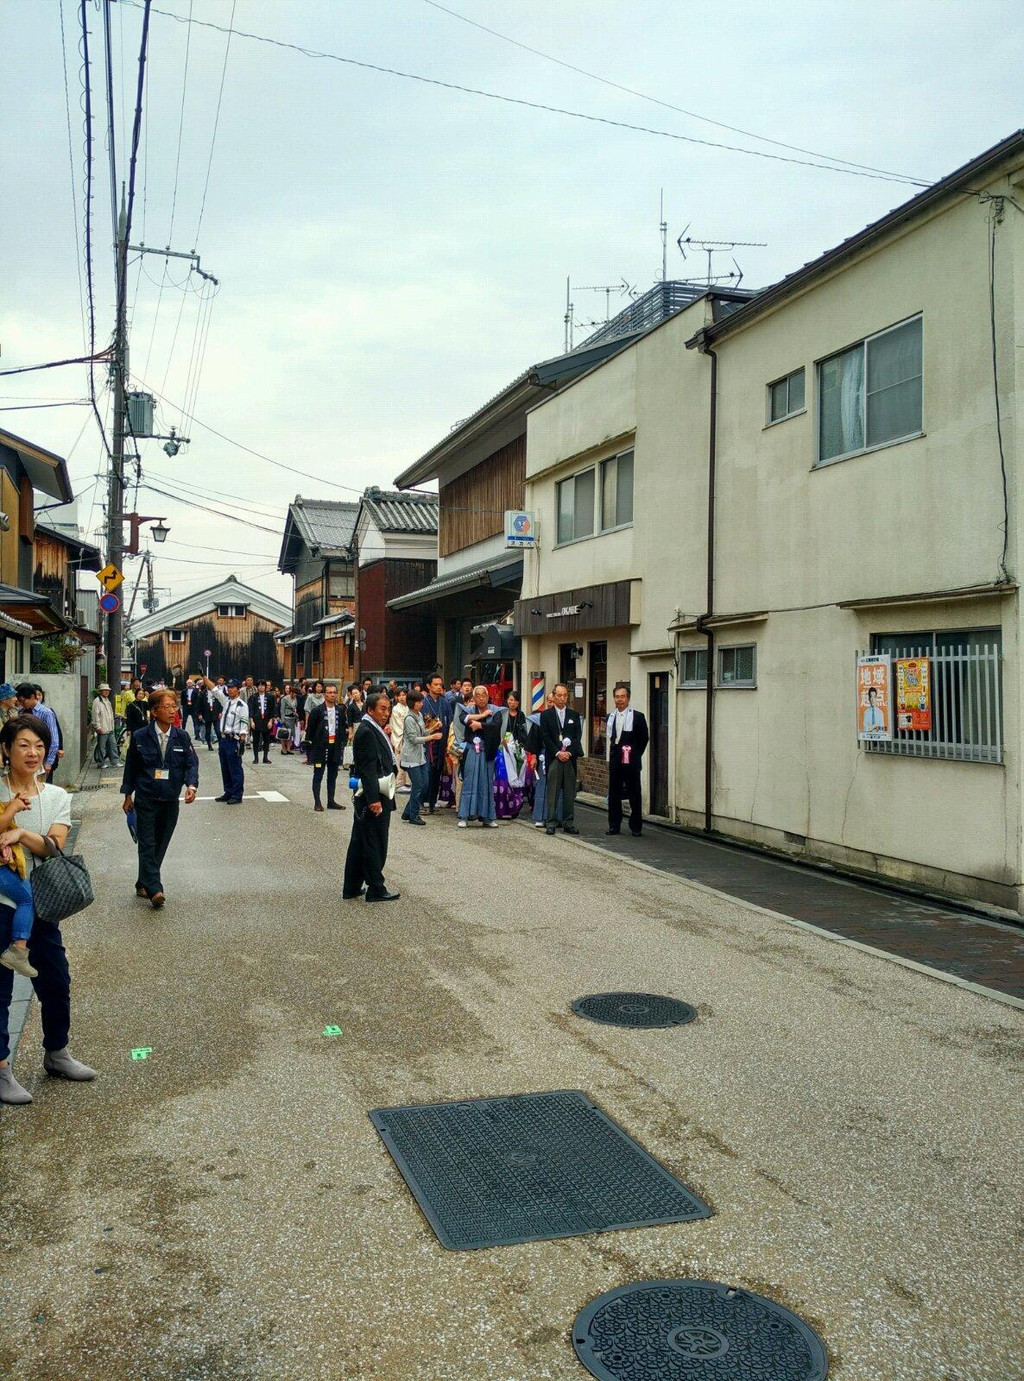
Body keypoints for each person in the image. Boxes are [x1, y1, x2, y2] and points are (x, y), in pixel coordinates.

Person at [0, 714, 95, 1105]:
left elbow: (56, 846)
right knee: (1, 990)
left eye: (39, 746)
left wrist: (21, 834)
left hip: (42, 901)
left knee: (56, 981)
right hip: (2, 901)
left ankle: (57, 1053)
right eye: (24, 745)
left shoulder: (57, 796)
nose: (33, 753)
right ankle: (2, 1069)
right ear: (6, 750)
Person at [121, 689, 199, 908]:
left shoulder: (181, 736)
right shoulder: (140, 736)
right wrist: (128, 795)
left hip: (170, 799)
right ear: (154, 712)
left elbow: (191, 763)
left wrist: (191, 785)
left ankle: (142, 881)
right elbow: (131, 769)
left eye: (174, 706)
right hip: (146, 798)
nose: (172, 711)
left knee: (160, 843)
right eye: (167, 707)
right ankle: (155, 888)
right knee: (147, 843)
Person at [342, 690, 399, 902]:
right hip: (373, 794)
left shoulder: (373, 728)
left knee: (360, 841)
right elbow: (367, 769)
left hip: (375, 791)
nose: (386, 713)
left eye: (388, 709)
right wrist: (374, 799)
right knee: (375, 842)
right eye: (382, 709)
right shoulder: (367, 731)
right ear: (370, 709)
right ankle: (376, 888)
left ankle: (352, 887)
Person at [454, 685, 502, 828]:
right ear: (473, 698)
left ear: (488, 697)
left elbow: (496, 726)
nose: (481, 698)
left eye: (484, 695)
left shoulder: (495, 711)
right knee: (469, 782)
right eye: (478, 695)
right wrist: (482, 716)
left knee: (486, 783)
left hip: (487, 751)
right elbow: (465, 720)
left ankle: (487, 817)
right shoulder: (467, 709)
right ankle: (464, 816)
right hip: (471, 751)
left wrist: (479, 725)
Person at [606, 681, 650, 837]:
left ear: (628, 698)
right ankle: (614, 825)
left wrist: (635, 754)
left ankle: (636, 826)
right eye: (617, 697)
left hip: (632, 760)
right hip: (616, 759)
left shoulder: (637, 717)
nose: (620, 700)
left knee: (634, 794)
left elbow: (644, 738)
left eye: (622, 696)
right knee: (614, 793)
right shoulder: (610, 717)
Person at [540, 683, 583, 836]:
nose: (562, 698)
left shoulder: (574, 715)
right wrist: (558, 752)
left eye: (565, 695)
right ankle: (551, 821)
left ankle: (568, 822)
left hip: (569, 759)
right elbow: (545, 736)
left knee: (569, 792)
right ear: (554, 695)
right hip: (555, 758)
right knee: (553, 791)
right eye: (559, 695)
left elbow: (577, 736)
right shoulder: (546, 715)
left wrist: (569, 753)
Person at [202, 676, 249, 804]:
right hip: (223, 739)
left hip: (233, 739)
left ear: (238, 689)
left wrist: (242, 741)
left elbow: (244, 724)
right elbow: (214, 690)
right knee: (225, 767)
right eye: (228, 688)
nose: (230, 690)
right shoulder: (226, 701)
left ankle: (237, 794)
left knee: (235, 768)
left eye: (233, 688)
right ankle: (228, 791)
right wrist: (204, 677)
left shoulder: (242, 705)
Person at [399, 691, 441, 826]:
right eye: (418, 702)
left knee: (424, 784)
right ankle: (414, 815)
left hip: (420, 755)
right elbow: (414, 739)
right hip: (411, 756)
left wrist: (433, 728)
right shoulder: (409, 718)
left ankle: (408, 812)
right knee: (418, 786)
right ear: (412, 703)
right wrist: (432, 737)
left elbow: (422, 732)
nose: (421, 704)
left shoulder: (419, 715)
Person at [306, 682, 346, 812]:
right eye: (329, 692)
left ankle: (331, 800)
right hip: (320, 746)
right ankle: (317, 802)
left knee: (332, 775)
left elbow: (342, 727)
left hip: (335, 745)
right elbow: (310, 731)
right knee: (318, 775)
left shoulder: (340, 710)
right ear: (324, 694)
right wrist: (310, 747)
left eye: (334, 692)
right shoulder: (317, 710)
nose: (332, 695)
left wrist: (342, 744)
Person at [494, 689, 529, 819]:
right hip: (502, 749)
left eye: (514, 700)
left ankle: (515, 806)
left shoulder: (521, 716)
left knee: (517, 776)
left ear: (518, 702)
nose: (512, 702)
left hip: (516, 750)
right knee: (503, 777)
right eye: (510, 700)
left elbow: (524, 733)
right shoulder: (502, 714)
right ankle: (501, 808)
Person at [421, 674, 453, 814]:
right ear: (428, 686)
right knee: (426, 773)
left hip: (441, 743)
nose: (439, 687)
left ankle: (433, 803)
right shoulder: (422, 702)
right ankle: (421, 802)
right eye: (436, 684)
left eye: (440, 684)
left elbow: (450, 721)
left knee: (436, 773)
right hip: (427, 743)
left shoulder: (444, 702)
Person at [16, 684, 60, 781]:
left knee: (44, 789)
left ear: (32, 697)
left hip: (42, 759)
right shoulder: (21, 712)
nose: (21, 704)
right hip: (26, 759)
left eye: (23, 701)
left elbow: (54, 739)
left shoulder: (46, 713)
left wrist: (48, 762)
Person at [90, 682, 120, 767]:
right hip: (102, 728)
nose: (107, 692)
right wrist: (98, 727)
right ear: (101, 691)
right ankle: (101, 762)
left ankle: (115, 761)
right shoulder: (97, 701)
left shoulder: (107, 700)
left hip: (109, 728)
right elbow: (95, 715)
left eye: (108, 690)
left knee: (113, 745)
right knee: (101, 747)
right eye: (104, 690)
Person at [248, 680, 276, 764]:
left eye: (263, 685)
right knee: (256, 740)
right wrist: (251, 721)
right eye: (259, 685)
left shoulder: (270, 697)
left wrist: (271, 721)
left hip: (267, 720)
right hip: (256, 720)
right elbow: (251, 709)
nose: (261, 687)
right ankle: (256, 758)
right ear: (257, 687)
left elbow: (272, 710)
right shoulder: (253, 697)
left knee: (266, 740)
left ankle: (265, 757)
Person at [390, 687, 411, 792]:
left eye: (404, 695)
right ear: (396, 697)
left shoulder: (409, 707)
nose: (402, 697)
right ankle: (399, 783)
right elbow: (396, 725)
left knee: (409, 759)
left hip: (410, 737)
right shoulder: (395, 709)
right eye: (399, 695)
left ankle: (408, 782)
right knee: (400, 759)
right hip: (401, 736)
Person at [303, 681, 325, 764]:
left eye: (320, 687)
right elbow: (307, 711)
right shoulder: (310, 697)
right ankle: (310, 758)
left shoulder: (324, 696)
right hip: (312, 720)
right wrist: (307, 722)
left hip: (322, 720)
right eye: (317, 686)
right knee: (311, 739)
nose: (319, 688)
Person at [278, 683, 298, 755]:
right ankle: (283, 749)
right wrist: (283, 720)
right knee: (284, 734)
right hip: (286, 717)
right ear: (291, 692)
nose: (295, 695)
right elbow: (282, 709)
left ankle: (289, 748)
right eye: (294, 693)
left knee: (291, 734)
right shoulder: (285, 698)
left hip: (292, 718)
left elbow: (295, 708)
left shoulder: (295, 699)